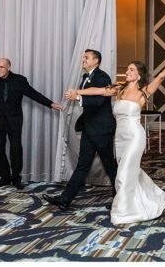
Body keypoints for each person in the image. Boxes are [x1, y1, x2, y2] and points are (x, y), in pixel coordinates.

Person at [62, 51, 165, 224]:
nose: (127, 72)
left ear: (139, 74)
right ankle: (143, 198)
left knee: (124, 172)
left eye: (131, 70)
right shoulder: (119, 89)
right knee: (125, 171)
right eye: (127, 69)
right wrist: (78, 92)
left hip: (135, 136)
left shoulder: (144, 92)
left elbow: (161, 77)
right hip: (120, 138)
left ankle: (123, 210)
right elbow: (99, 91)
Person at [45, 49, 120, 210]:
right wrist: (80, 98)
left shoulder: (102, 76)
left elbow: (99, 100)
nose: (83, 60)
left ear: (96, 61)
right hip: (89, 129)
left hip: (101, 130)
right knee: (82, 166)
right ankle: (65, 199)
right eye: (83, 57)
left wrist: (78, 97)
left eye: (86, 57)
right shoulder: (86, 77)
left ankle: (121, 201)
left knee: (110, 167)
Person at [0, 58, 62, 189]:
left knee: (16, 149)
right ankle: (4, 177)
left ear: (9, 67)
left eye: (2, 67)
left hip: (14, 121)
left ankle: (16, 178)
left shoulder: (19, 80)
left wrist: (50, 104)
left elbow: (33, 94)